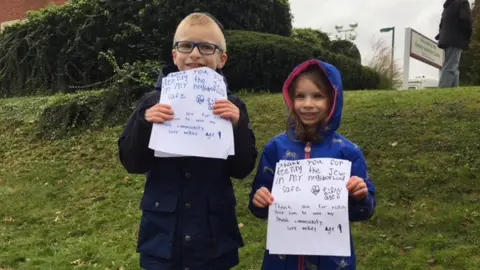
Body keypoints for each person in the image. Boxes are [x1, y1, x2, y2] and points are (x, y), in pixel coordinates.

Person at [118, 12, 258, 270]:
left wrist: (237, 126)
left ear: (221, 59)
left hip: (213, 238)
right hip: (163, 237)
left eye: (206, 47)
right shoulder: (152, 102)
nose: (195, 54)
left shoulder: (233, 106)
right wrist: (145, 124)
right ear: (175, 55)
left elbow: (243, 169)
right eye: (186, 46)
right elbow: (131, 162)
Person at [248, 58, 376, 270]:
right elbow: (258, 205)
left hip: (332, 262)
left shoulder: (348, 152)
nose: (308, 104)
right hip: (282, 260)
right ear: (291, 99)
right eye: (300, 96)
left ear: (333, 100)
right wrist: (260, 200)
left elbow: (365, 211)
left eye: (317, 96)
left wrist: (360, 195)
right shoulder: (275, 148)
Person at [435, 0, 473, 88]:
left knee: (454, 66)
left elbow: (441, 24)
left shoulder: (447, 6)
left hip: (446, 39)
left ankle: (454, 91)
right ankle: (443, 91)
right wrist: (467, 34)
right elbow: (466, 20)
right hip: (456, 38)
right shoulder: (463, 2)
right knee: (451, 66)